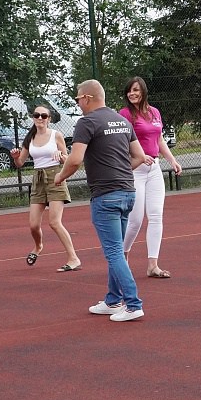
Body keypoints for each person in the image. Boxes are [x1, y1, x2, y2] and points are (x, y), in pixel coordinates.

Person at [55, 79, 146, 322]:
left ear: (87, 98)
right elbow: (139, 156)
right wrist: (120, 169)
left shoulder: (87, 122)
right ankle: (113, 300)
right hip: (128, 192)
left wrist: (60, 176)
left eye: (77, 99)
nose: (77, 103)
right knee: (116, 249)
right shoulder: (122, 120)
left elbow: (74, 160)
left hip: (106, 195)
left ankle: (133, 303)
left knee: (114, 252)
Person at [120, 77, 182, 279]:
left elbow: (159, 138)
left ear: (143, 91)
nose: (132, 94)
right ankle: (122, 256)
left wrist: (171, 160)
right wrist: (138, 156)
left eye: (136, 90)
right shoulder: (125, 114)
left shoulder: (154, 112)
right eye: (129, 91)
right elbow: (123, 142)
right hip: (136, 169)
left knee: (156, 216)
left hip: (154, 169)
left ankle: (152, 265)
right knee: (135, 220)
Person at [10, 104, 81, 272]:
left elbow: (68, 159)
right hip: (38, 179)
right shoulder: (29, 138)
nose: (40, 118)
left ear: (49, 119)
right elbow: (20, 163)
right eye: (37, 115)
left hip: (55, 176)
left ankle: (73, 258)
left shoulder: (56, 135)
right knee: (33, 225)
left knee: (54, 222)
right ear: (33, 117)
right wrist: (15, 158)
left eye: (43, 116)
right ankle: (38, 246)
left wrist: (60, 155)